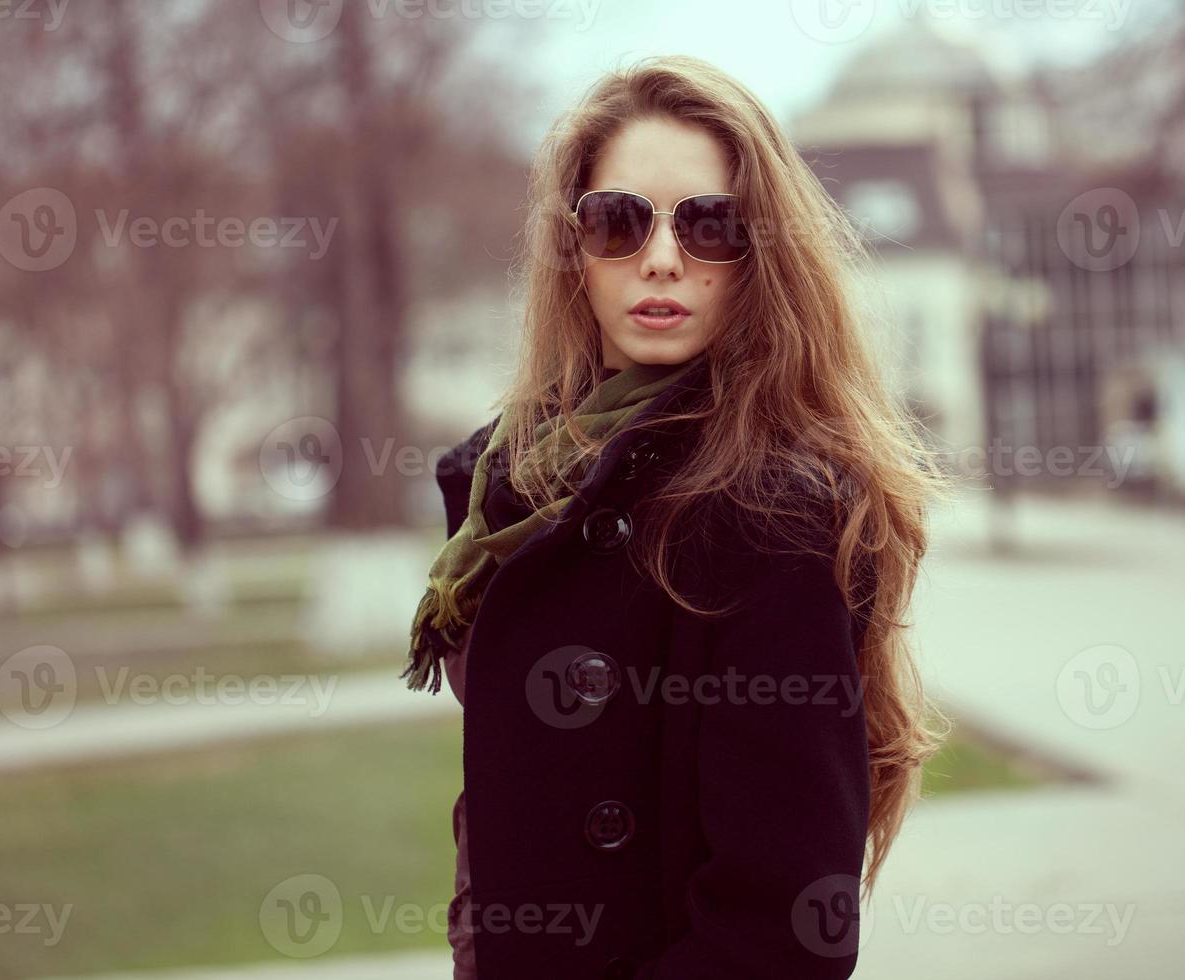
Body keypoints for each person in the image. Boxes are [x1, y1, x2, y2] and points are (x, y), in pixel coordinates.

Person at [404, 54, 951, 980]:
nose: (662, 257)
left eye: (711, 225)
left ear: (759, 256)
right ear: (573, 251)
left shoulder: (765, 514)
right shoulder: (525, 480)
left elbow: (779, 927)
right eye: (619, 221)